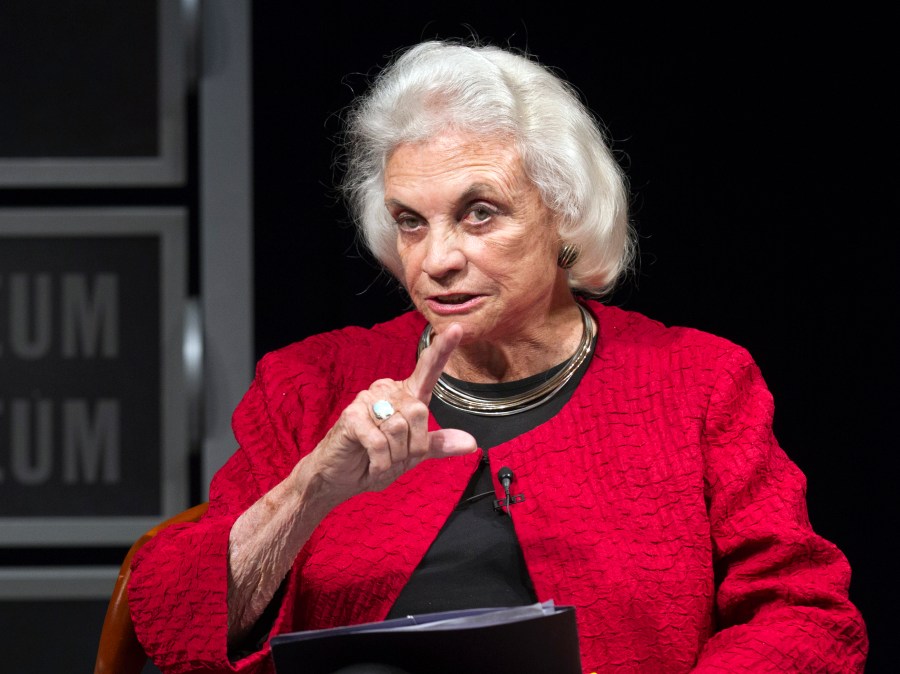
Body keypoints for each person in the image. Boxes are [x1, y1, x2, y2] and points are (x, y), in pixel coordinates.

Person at [128, 41, 868, 673]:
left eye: (479, 213)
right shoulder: (308, 383)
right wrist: (311, 489)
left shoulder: (698, 382)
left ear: (564, 212)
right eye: (410, 222)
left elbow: (805, 613)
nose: (437, 259)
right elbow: (175, 623)